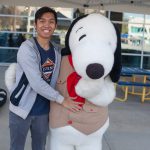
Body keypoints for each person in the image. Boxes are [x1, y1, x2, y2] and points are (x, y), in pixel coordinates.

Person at [8, 6, 82, 150]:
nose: (46, 25)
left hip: (43, 112)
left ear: (55, 25)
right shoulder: (27, 48)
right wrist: (62, 100)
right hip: (21, 110)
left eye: (51, 21)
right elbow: (36, 83)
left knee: (40, 147)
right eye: (42, 21)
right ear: (35, 24)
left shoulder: (57, 51)